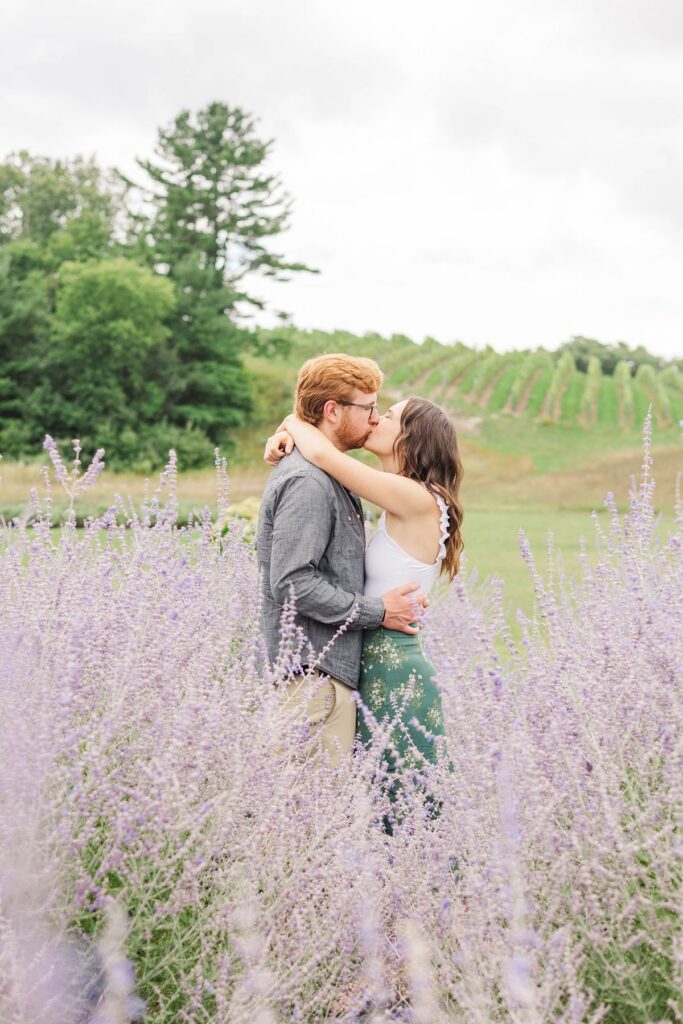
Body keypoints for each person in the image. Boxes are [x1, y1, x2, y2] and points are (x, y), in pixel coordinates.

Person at [264, 389, 464, 826]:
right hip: (375, 662)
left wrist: (291, 425)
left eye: (387, 416)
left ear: (409, 438)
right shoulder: (408, 498)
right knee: (378, 802)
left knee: (403, 805)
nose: (375, 419)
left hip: (394, 668)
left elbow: (325, 455)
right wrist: (287, 430)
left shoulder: (415, 496)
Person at [257, 354, 430, 768]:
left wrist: (290, 425)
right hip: (313, 681)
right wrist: (379, 611)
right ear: (332, 411)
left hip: (324, 679)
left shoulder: (328, 474)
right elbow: (293, 583)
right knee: (308, 820)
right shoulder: (308, 482)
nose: (374, 419)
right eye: (369, 408)